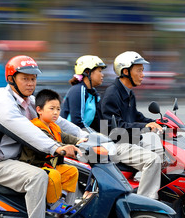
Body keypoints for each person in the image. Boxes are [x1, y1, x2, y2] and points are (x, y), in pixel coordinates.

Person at [0, 55, 78, 218]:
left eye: (33, 79)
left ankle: (61, 217)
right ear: (11, 79)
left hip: (18, 160)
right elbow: (29, 133)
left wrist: (87, 138)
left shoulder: (29, 101)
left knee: (73, 169)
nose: (31, 83)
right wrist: (56, 147)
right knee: (38, 177)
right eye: (25, 78)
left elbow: (58, 122)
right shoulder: (3, 105)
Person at [62, 55, 162, 200]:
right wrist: (102, 139)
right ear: (87, 73)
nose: (102, 74)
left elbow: (100, 121)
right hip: (79, 141)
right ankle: (146, 202)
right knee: (151, 159)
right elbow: (77, 122)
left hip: (96, 139)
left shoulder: (94, 94)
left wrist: (155, 122)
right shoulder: (79, 91)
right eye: (99, 71)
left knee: (159, 149)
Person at [19, 89, 85, 216]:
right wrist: (66, 148)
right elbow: (52, 143)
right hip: (36, 166)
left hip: (50, 165)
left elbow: (65, 137)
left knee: (72, 171)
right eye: (51, 108)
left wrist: (80, 141)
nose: (55, 112)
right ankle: (53, 204)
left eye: (58, 109)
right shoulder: (35, 127)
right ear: (39, 110)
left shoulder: (53, 126)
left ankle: (68, 205)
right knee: (54, 175)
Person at [101, 51, 164, 158]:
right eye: (139, 71)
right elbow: (116, 127)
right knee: (152, 159)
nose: (142, 75)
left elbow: (135, 116)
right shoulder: (112, 94)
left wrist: (156, 122)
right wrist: (144, 126)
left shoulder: (129, 93)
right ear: (126, 72)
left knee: (161, 150)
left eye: (142, 71)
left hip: (129, 140)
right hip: (115, 144)